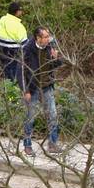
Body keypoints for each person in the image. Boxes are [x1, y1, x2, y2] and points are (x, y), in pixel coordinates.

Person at [20, 26, 61, 156]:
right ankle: (27, 145)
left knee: (53, 115)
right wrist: (25, 90)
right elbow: (20, 71)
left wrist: (56, 58)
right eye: (45, 37)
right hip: (32, 88)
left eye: (48, 36)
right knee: (30, 117)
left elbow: (56, 64)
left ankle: (53, 144)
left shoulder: (50, 47)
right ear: (38, 38)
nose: (48, 39)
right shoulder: (27, 49)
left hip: (47, 86)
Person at [0, 1, 28, 84]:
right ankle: (12, 94)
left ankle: (8, 88)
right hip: (14, 52)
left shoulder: (2, 19)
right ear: (17, 12)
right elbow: (24, 43)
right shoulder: (18, 26)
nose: (22, 12)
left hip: (2, 49)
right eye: (20, 10)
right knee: (14, 75)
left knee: (6, 71)